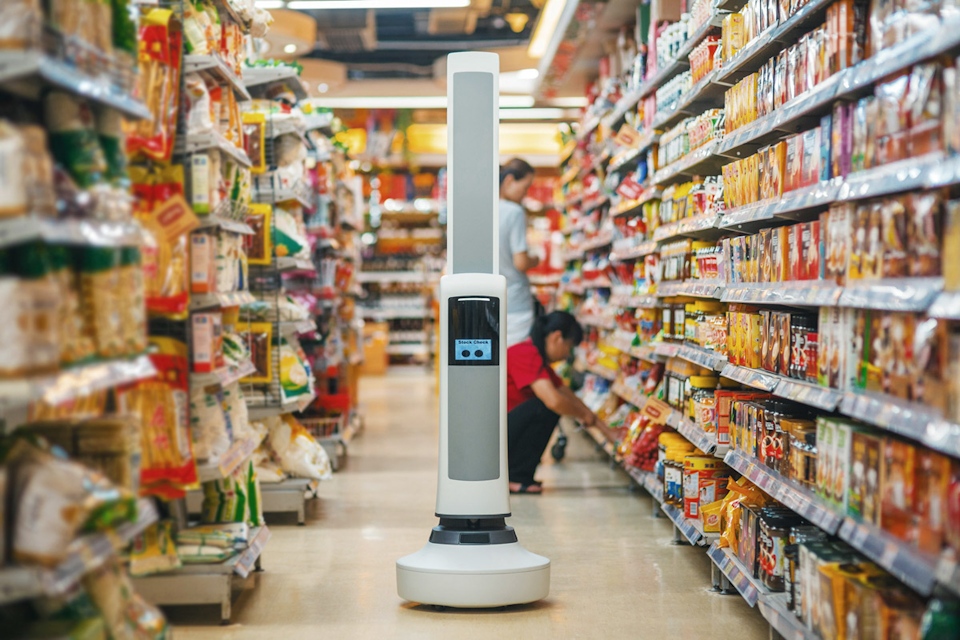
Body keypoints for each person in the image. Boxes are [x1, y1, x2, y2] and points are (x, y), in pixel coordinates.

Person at [506, 311, 616, 494]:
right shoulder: (525, 354)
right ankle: (515, 477)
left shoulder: (537, 359)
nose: (567, 355)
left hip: (502, 431)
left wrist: (607, 431)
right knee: (544, 407)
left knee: (552, 404)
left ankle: (517, 474)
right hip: (492, 436)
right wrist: (583, 416)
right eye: (569, 346)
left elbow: (567, 394)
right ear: (557, 337)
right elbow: (555, 401)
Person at [499, 158, 539, 346]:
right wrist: (536, 259)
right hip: (515, 302)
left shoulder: (483, 211)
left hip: (491, 299)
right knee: (516, 360)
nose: (525, 193)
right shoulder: (514, 212)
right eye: (525, 187)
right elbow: (521, 262)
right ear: (508, 181)